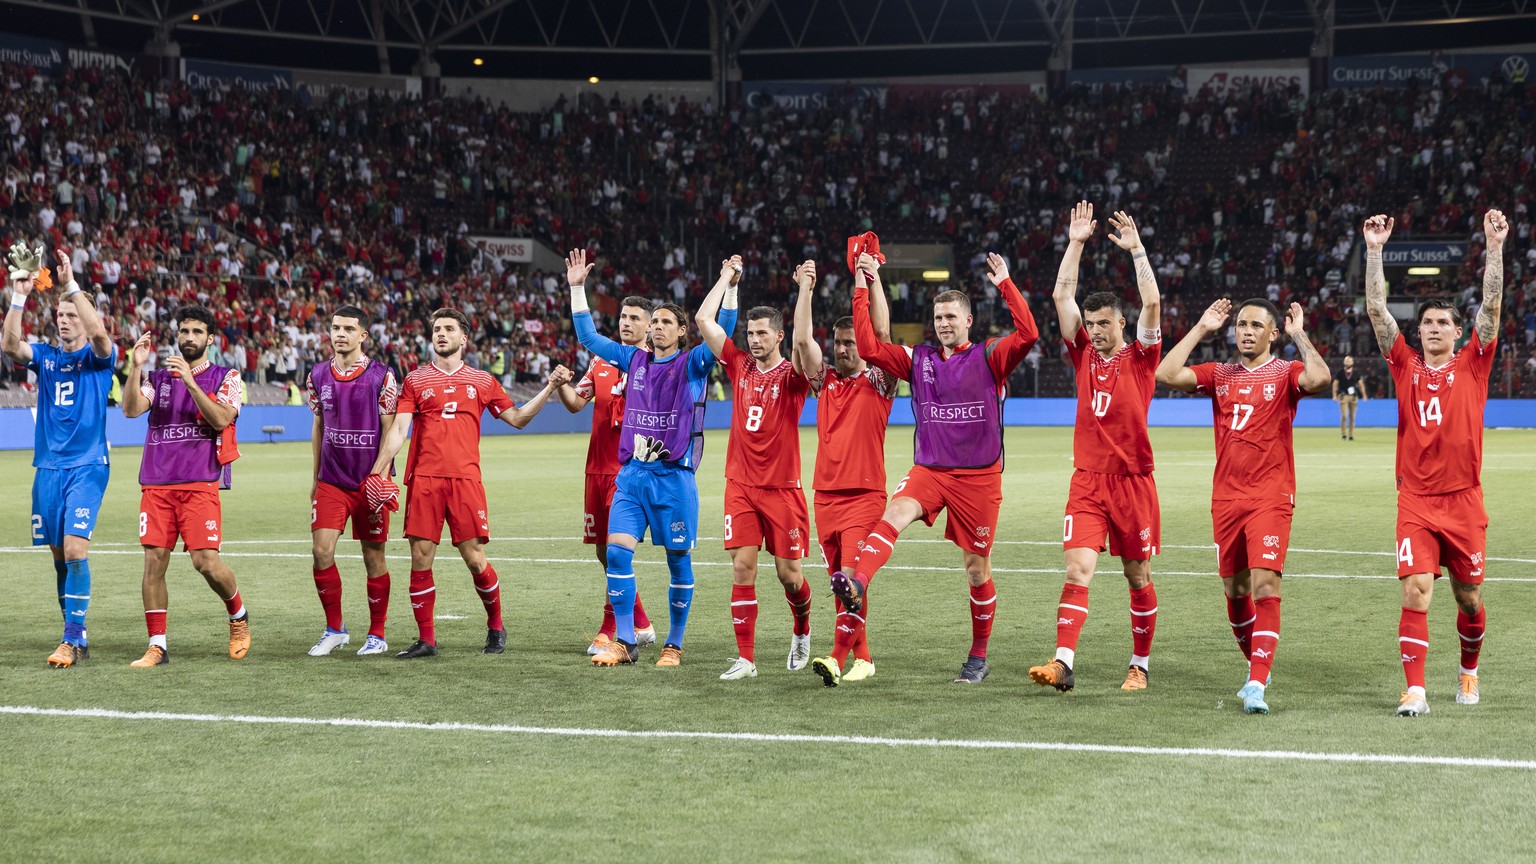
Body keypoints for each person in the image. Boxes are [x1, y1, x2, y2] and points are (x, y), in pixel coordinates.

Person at [831, 251, 1039, 684]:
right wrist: (861, 286)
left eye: (950, 316)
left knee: (976, 569)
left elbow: (1030, 334)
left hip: (979, 477)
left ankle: (978, 656)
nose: (943, 323)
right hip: (930, 469)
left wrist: (1006, 284)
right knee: (893, 513)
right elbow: (868, 347)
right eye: (938, 317)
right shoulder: (918, 359)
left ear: (968, 321)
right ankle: (858, 584)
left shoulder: (990, 356)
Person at [1362, 210, 1507, 717]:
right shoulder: (1403, 364)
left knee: (1469, 598)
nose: (1432, 328)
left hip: (1464, 501)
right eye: (1426, 322)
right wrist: (1375, 249)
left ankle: (1469, 671)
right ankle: (1415, 691)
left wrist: (1494, 245)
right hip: (1417, 501)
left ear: (1457, 330)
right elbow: (1378, 310)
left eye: (1443, 322)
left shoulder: (1474, 361)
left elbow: (1491, 304)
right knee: (1417, 592)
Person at [1155, 297, 1331, 713]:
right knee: (1235, 591)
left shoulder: (1285, 373)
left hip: (1270, 496)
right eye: (1240, 324)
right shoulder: (1219, 375)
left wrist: (1299, 335)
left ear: (1273, 334)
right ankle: (1257, 663)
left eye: (1256, 325)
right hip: (1226, 498)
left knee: (1265, 585)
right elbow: (1165, 373)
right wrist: (1201, 327)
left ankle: (1255, 684)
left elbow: (1321, 377)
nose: (1246, 331)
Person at [568, 248, 738, 668]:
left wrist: (730, 290)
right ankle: (626, 640)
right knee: (617, 553)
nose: (657, 327)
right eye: (655, 321)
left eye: (666, 322)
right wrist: (576, 290)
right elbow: (589, 338)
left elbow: (723, 332)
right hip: (632, 477)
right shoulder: (633, 358)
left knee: (677, 563)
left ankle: (674, 644)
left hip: (673, 480)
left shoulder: (694, 364)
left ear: (682, 331)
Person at [367, 307, 569, 659]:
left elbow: (518, 418)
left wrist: (550, 386)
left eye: (448, 329)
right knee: (420, 557)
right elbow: (399, 429)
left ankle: (496, 626)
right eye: (436, 329)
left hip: (465, 480)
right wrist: (378, 471)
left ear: (464, 337)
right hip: (425, 479)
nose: (441, 334)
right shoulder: (415, 380)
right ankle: (426, 640)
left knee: (475, 558)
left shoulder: (483, 380)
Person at [1028, 204, 1164, 694]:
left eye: (1104, 323)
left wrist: (1137, 250)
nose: (1096, 330)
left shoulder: (1144, 357)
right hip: (1087, 480)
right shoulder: (1082, 351)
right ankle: (1064, 661)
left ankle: (1140, 664)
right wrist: (1077, 242)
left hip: (1132, 483)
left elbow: (1152, 302)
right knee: (1077, 567)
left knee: (1137, 574)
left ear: (1121, 324)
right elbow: (1061, 294)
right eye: (1092, 323)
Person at [697, 260, 814, 681]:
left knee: (789, 574)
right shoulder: (738, 365)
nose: (756, 339)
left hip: (782, 489)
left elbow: (805, 341)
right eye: (751, 332)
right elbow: (703, 319)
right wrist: (726, 278)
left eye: (763, 332)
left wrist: (804, 289)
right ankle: (746, 659)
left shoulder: (794, 375)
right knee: (742, 566)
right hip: (741, 486)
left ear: (779, 335)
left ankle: (801, 627)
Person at [121, 305, 252, 668]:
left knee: (205, 563)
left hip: (199, 483)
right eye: (183, 331)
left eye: (197, 332)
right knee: (153, 563)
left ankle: (238, 615)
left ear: (210, 338)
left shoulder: (228, 377)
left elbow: (222, 418)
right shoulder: (158, 377)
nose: (188, 338)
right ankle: (157, 645)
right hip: (157, 484)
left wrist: (191, 382)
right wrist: (135, 367)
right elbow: (131, 409)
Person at [3, 245, 114, 668]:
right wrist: (18, 296)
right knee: (57, 556)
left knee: (73, 549)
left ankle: (70, 639)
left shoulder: (98, 360)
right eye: (61, 316)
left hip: (87, 466)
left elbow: (101, 336)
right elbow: (11, 346)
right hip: (47, 469)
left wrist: (70, 285)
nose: (65, 322)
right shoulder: (47, 359)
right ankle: (77, 632)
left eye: (72, 316)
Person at [800, 249, 898, 687]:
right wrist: (805, 291)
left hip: (865, 497)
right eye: (838, 344)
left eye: (850, 344)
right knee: (841, 585)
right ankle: (865, 657)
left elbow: (881, 330)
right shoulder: (825, 384)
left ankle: (837, 658)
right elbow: (802, 343)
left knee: (855, 579)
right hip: (825, 497)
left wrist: (871, 278)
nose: (843, 350)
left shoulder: (879, 381)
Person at [556, 296, 658, 655]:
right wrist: (560, 383)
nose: (625, 323)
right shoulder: (600, 361)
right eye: (623, 317)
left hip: (629, 470)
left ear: (650, 326)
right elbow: (575, 404)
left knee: (617, 552)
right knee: (603, 551)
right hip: (595, 467)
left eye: (634, 318)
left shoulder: (654, 365)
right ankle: (642, 624)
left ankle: (609, 629)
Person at [306, 305, 400, 657]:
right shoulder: (317, 375)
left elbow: (390, 429)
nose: (340, 334)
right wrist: (315, 477)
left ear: (363, 336)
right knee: (321, 551)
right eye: (335, 328)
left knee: (373, 557)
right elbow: (318, 427)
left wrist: (381, 473)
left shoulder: (381, 376)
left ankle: (377, 633)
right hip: (332, 480)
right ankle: (334, 629)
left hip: (369, 482)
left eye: (348, 329)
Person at [1332, 355, 1369, 440]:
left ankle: (1351, 435)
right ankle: (1343, 434)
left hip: (1353, 397)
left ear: (1352, 362)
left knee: (1352, 417)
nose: (1348, 362)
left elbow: (1360, 384)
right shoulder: (1340, 372)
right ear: (1344, 362)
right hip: (1343, 396)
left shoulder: (1356, 373)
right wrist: (1334, 395)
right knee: (1344, 416)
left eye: (1349, 360)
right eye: (1346, 360)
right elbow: (1335, 384)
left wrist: (1364, 395)